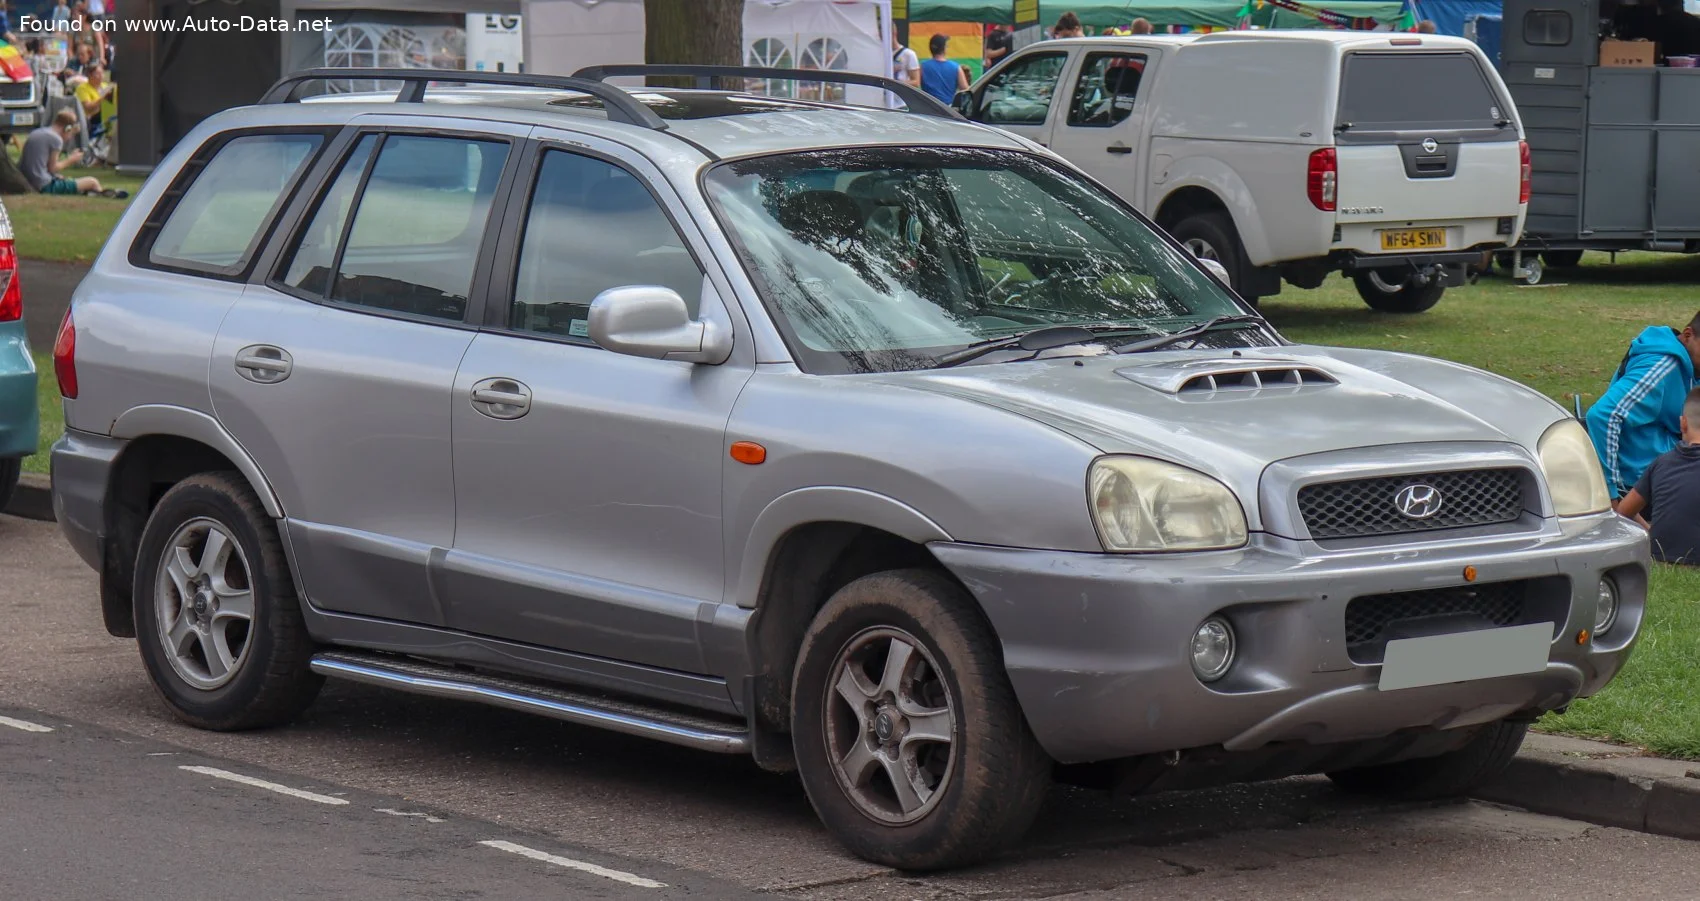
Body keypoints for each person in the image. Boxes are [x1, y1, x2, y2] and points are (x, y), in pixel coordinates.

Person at [1585, 312, 1700, 500]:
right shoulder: (1661, 367)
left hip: (1668, 475)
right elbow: (1604, 416)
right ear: (1688, 335)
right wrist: (1612, 492)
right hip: (1641, 485)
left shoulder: (1691, 367)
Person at [1615, 387, 1700, 564]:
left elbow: (1623, 512)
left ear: (1683, 423)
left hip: (1660, 556)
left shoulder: (1661, 463)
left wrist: (1651, 532)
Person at [19, 109, 107, 196]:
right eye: (71, 134)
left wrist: (55, 176)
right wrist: (71, 160)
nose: (69, 138)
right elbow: (52, 168)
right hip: (44, 186)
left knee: (68, 181)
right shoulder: (56, 139)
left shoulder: (37, 132)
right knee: (92, 182)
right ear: (67, 129)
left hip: (28, 181)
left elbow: (42, 166)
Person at [919, 33, 968, 105]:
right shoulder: (956, 67)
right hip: (947, 109)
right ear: (944, 48)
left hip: (928, 108)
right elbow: (965, 91)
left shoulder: (922, 66)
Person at [889, 30, 920, 108]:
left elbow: (916, 82)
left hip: (900, 105)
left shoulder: (909, 54)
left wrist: (895, 83)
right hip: (880, 104)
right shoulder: (878, 54)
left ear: (893, 33)